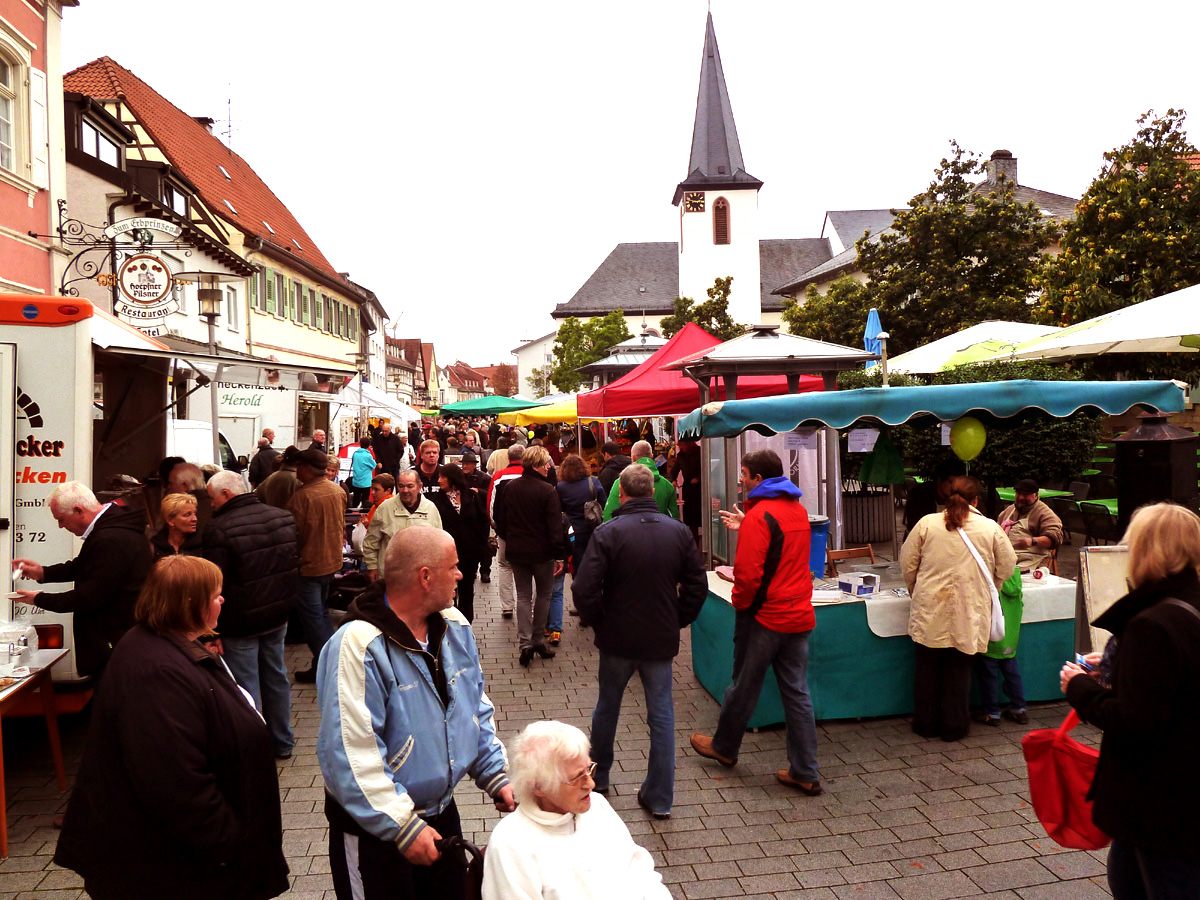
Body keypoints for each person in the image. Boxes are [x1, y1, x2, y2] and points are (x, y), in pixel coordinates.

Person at [53, 556, 289, 900]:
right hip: (177, 870)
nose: (222, 600)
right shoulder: (158, 672)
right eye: (216, 594)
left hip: (184, 862)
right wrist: (230, 847)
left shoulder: (162, 645)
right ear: (190, 603)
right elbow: (175, 784)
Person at [317, 528, 515, 900]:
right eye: (454, 567)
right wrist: (403, 826)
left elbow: (473, 707)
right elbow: (350, 754)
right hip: (376, 831)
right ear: (425, 577)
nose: (461, 574)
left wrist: (496, 775)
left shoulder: (454, 624)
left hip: (440, 816)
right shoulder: (356, 646)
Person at [1059, 502, 1200, 898]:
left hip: (1161, 801)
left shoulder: (1153, 624)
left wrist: (1080, 689)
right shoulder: (1186, 606)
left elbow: (1137, 721)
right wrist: (1115, 666)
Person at [573, 465, 707, 819]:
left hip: (617, 636)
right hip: (659, 637)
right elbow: (697, 586)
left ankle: (599, 776)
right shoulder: (678, 533)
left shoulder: (608, 533)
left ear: (623, 493)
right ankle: (661, 795)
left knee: (608, 707)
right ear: (651, 492)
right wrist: (678, 618)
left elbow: (583, 588)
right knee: (661, 715)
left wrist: (598, 619)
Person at [690, 450, 823, 795]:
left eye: (744, 475)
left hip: (766, 616)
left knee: (743, 686)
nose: (740, 481)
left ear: (759, 480)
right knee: (797, 694)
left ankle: (724, 747)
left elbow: (747, 575)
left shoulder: (762, 514)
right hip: (797, 613)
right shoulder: (797, 510)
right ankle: (805, 770)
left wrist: (741, 606)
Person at [481, 721, 671, 900]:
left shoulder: (596, 805)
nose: (591, 783)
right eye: (577, 777)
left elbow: (638, 868)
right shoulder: (510, 844)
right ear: (539, 787)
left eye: (589, 769)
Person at [900, 475, 1016, 742]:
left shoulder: (926, 525)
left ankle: (925, 723)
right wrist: (991, 586)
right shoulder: (990, 528)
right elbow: (1008, 566)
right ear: (976, 499)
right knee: (959, 671)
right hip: (970, 610)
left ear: (944, 496)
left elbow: (907, 565)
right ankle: (955, 726)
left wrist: (916, 590)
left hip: (930, 607)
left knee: (927, 669)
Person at [204, 470, 300, 761]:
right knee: (275, 676)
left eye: (211, 498)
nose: (209, 505)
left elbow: (213, 583)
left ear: (226, 495)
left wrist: (211, 631)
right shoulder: (283, 517)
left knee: (246, 685)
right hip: (278, 614)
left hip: (241, 620)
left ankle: (254, 750)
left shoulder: (218, 529)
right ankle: (282, 741)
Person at [12, 481, 152, 679]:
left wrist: (38, 599)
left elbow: (87, 598)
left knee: (109, 704)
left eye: (61, 519)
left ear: (79, 510)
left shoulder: (110, 538)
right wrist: (42, 572)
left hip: (114, 644)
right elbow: (84, 566)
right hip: (119, 640)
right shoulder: (113, 529)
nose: (60, 526)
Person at [493, 446, 565, 667]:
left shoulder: (509, 487)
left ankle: (525, 644)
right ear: (536, 465)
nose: (548, 468)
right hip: (543, 553)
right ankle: (537, 640)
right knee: (543, 595)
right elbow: (555, 527)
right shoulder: (547, 491)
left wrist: (509, 538)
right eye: (545, 464)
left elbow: (499, 518)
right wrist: (560, 555)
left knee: (523, 596)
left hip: (517, 550)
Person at [286, 448, 347, 683]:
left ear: (307, 469)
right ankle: (327, 662)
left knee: (313, 620)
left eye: (300, 466)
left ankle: (330, 665)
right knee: (319, 614)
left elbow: (294, 535)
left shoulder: (302, 497)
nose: (297, 470)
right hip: (329, 561)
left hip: (310, 565)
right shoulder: (336, 490)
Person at [363, 470, 442, 582]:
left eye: (410, 486)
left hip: (420, 579)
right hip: (390, 577)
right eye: (401, 486)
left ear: (419, 486)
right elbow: (370, 542)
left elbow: (439, 546)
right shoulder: (384, 508)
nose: (405, 490)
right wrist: (372, 567)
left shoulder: (431, 509)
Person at [436, 464, 489, 622]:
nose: (439, 480)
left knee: (467, 591)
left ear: (453, 478)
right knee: (447, 592)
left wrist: (481, 543)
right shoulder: (437, 500)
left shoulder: (471, 496)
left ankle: (466, 624)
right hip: (446, 555)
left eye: (443, 477)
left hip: (470, 554)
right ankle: (450, 624)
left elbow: (483, 520)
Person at [488, 444, 526, 618]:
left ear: (509, 458)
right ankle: (527, 603)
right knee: (526, 567)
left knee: (504, 566)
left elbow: (491, 505)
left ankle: (507, 606)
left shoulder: (498, 477)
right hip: (528, 532)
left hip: (505, 531)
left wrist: (495, 526)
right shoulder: (530, 475)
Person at [998, 477, 1064, 572]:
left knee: (1012, 574)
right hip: (1005, 557)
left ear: (1036, 495)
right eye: (1019, 493)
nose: (1021, 497)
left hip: (1030, 561)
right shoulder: (1010, 510)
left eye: (1025, 495)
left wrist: (1032, 541)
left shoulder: (1045, 513)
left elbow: (1055, 538)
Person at [601, 440, 678, 521]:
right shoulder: (667, 485)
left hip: (628, 531)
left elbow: (608, 515)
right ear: (652, 457)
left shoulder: (621, 482)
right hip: (660, 532)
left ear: (633, 458)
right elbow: (674, 517)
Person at [903, 456, 966, 537]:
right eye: (951, 482)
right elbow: (918, 527)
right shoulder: (920, 495)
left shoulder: (961, 496)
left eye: (959, 484)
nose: (955, 487)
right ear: (939, 480)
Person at [150, 492, 203, 560]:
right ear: (170, 521)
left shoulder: (204, 543)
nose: (195, 519)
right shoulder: (155, 546)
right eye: (187, 515)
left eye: (194, 513)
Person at [670, 439, 702, 545]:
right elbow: (674, 470)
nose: (681, 448)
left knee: (700, 517)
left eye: (682, 445)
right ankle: (694, 543)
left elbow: (706, 469)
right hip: (688, 489)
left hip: (701, 489)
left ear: (689, 444)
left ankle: (704, 543)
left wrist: (698, 478)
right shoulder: (681, 456)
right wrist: (673, 480)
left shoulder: (700, 452)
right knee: (691, 520)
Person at [349, 435, 379, 510]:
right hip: (366, 481)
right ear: (369, 445)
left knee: (356, 498)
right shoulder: (368, 455)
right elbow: (374, 465)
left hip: (356, 480)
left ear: (360, 444)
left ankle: (353, 512)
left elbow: (353, 464)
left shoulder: (355, 454)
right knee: (365, 500)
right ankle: (364, 513)